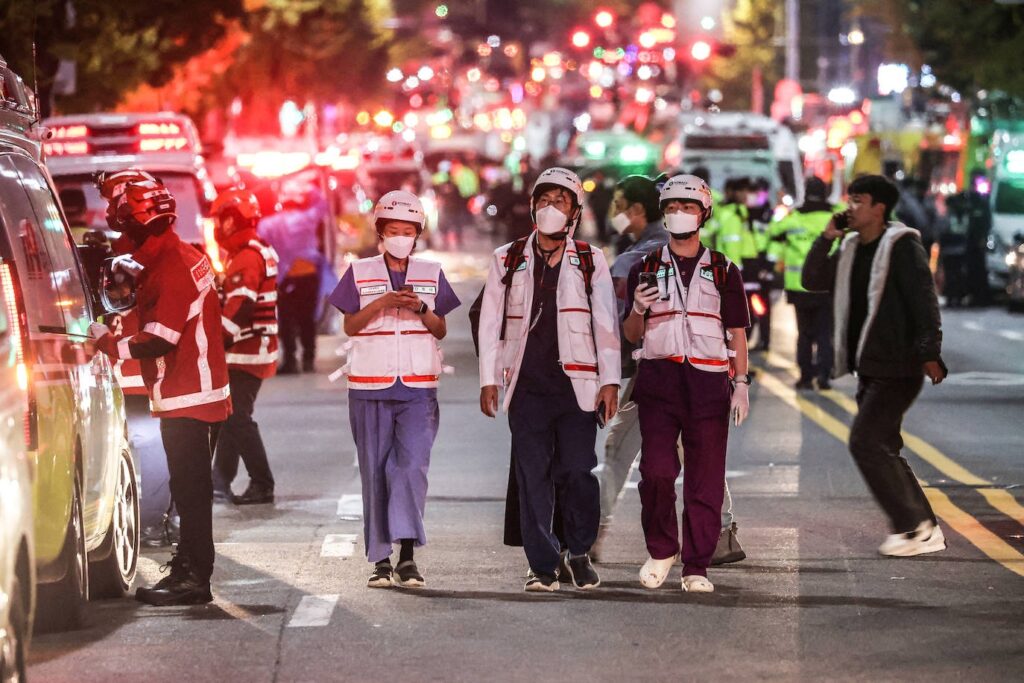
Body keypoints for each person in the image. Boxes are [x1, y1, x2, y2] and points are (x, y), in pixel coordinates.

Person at [478, 167, 620, 592]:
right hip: (526, 387)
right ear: (533, 206)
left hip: (578, 387)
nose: (551, 208)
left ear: (574, 211)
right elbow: (490, 324)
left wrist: (609, 381)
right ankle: (542, 564)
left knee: (578, 471)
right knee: (531, 474)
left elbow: (607, 327)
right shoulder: (507, 258)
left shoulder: (592, 260)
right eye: (545, 200)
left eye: (560, 202)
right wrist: (489, 379)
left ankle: (578, 552)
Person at [89, 179, 230, 605]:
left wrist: (108, 343)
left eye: (123, 226)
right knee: (191, 489)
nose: (120, 236)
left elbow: (159, 338)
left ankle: (194, 578)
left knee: (191, 490)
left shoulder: (170, 267)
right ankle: (188, 567)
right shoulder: (176, 254)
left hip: (189, 393)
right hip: (195, 389)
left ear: (139, 223)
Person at [597, 174, 745, 566]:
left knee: (621, 451)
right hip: (675, 373)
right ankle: (722, 533)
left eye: (618, 205)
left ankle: (591, 532)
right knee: (693, 458)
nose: (613, 213)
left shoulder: (635, 261)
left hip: (656, 373)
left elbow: (617, 328)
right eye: (673, 207)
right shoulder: (654, 257)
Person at [802, 174, 948, 557]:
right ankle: (925, 526)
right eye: (849, 200)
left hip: (898, 366)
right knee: (884, 445)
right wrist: (827, 238)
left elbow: (923, 299)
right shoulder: (851, 248)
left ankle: (911, 526)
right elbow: (812, 278)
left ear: (879, 208)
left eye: (858, 201)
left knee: (865, 442)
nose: (850, 207)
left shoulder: (901, 246)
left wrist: (929, 351)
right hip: (870, 366)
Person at [329, 190, 461, 588]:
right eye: (393, 230)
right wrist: (384, 302)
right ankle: (381, 561)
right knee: (375, 473)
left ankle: (407, 554)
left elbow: (441, 328)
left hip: (419, 387)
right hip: (369, 386)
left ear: (417, 234)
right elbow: (350, 326)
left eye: (408, 230)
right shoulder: (359, 272)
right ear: (381, 233)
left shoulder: (431, 273)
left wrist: (420, 308)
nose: (401, 236)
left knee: (410, 468)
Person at [94, 169, 181, 547]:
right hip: (145, 373)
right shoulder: (159, 250)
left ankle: (150, 523)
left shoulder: (130, 256)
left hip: (137, 370)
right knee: (156, 452)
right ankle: (161, 520)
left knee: (150, 451)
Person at [211, 188, 280, 505]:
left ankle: (262, 483)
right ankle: (219, 481)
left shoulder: (246, 257)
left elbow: (240, 309)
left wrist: (213, 343)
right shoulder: (255, 250)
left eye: (220, 219)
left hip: (246, 351)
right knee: (231, 416)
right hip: (250, 349)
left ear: (230, 222)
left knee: (237, 417)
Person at [767, 176, 841, 390]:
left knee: (805, 333)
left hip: (799, 286)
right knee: (825, 333)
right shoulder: (835, 216)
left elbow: (773, 231)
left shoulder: (795, 218)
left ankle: (805, 377)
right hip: (827, 285)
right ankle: (825, 375)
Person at [258, 183, 329, 374]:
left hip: (282, 279)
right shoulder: (307, 218)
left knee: (286, 319)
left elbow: (260, 247)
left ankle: (290, 360)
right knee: (307, 319)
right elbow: (323, 204)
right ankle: (308, 358)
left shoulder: (267, 223)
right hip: (307, 277)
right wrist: (308, 186)